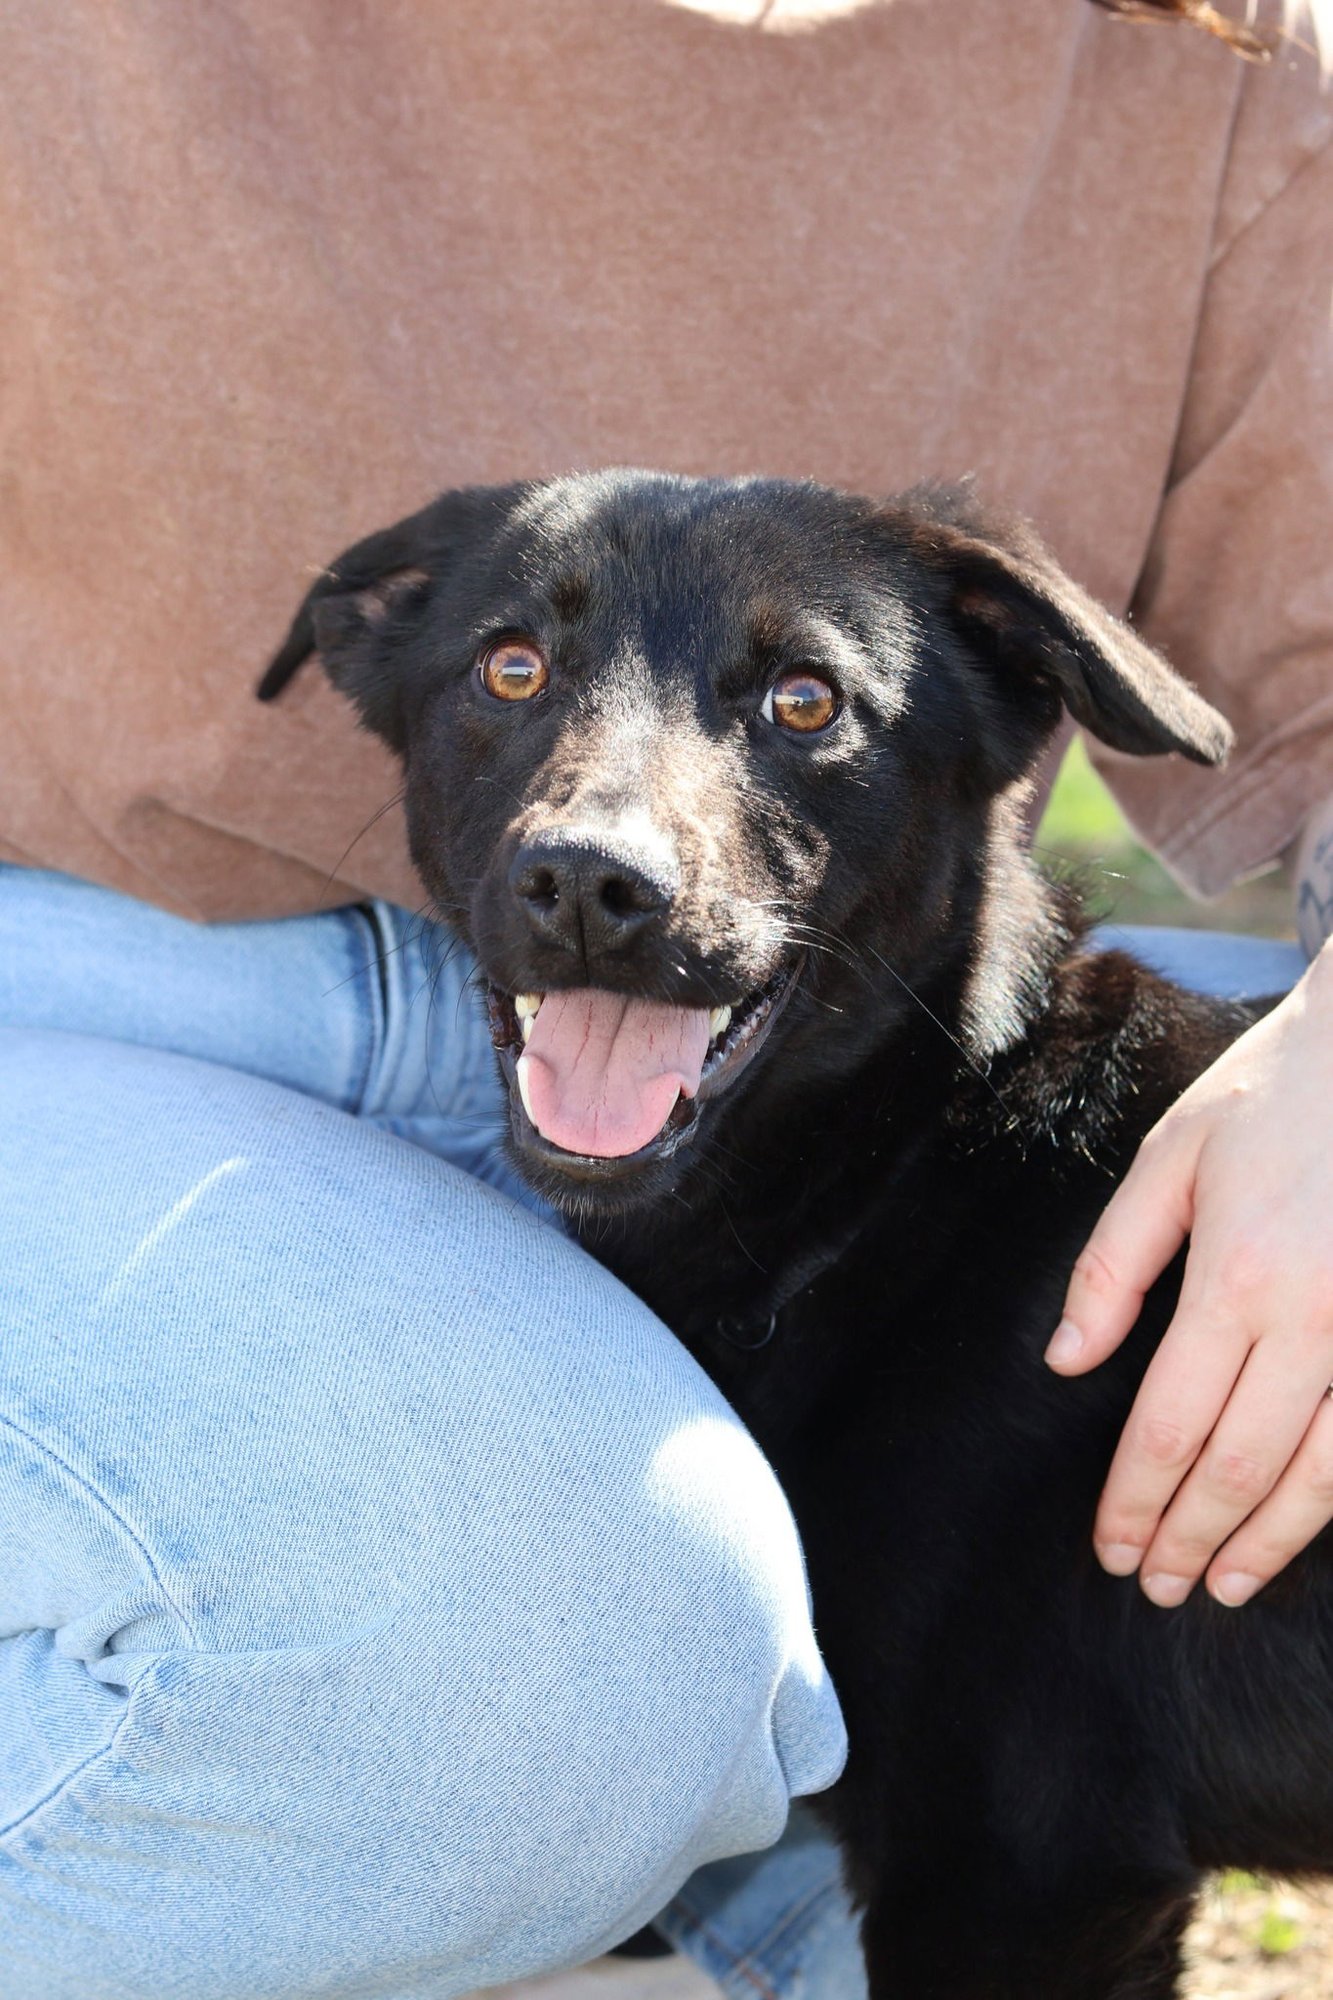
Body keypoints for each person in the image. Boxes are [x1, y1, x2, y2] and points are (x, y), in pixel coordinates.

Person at [1, 2, 1329, 1995]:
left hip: (839, 1075)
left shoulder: (1204, 71)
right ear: (373, 658)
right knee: (620, 1665)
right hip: (115, 1018)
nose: (609, 825)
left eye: (796, 698)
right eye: (515, 673)